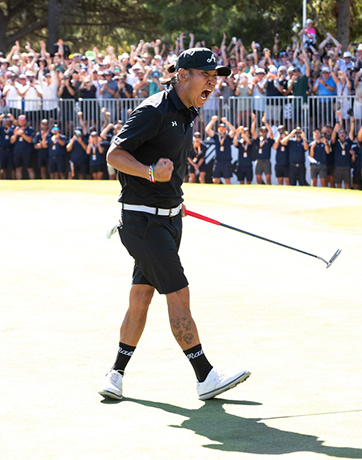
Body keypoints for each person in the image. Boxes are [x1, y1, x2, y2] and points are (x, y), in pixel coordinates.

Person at [100, 47, 250, 401]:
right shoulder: (154, 110)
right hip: (142, 222)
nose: (212, 82)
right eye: (205, 75)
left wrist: (172, 200)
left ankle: (115, 374)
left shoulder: (187, 111)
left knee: (141, 296)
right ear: (182, 75)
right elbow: (114, 155)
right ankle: (205, 376)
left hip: (168, 219)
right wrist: (150, 173)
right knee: (178, 293)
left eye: (215, 76)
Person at [205, 115, 235, 184]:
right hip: (218, 161)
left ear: (225, 129)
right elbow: (207, 130)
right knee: (215, 180)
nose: (221, 129)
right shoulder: (216, 136)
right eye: (219, 128)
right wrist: (212, 121)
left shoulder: (228, 137)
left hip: (226, 161)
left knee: (227, 180)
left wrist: (226, 122)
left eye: (223, 128)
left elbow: (233, 131)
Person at [251, 114, 274, 185]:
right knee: (258, 179)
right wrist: (254, 121)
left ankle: (269, 190)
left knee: (268, 179)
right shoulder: (258, 140)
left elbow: (271, 133)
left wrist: (265, 122)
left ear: (266, 132)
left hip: (266, 161)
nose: (263, 133)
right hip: (258, 160)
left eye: (265, 131)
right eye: (262, 131)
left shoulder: (269, 140)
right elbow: (252, 132)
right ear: (260, 132)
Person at [11, 114, 35, 180]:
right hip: (17, 151)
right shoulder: (15, 129)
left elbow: (30, 140)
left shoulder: (30, 129)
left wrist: (22, 134)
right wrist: (15, 134)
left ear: (26, 121)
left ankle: (33, 182)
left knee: (30, 168)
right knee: (18, 168)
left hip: (27, 152)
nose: (22, 122)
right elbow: (12, 141)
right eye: (20, 120)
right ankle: (19, 182)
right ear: (18, 121)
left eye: (23, 120)